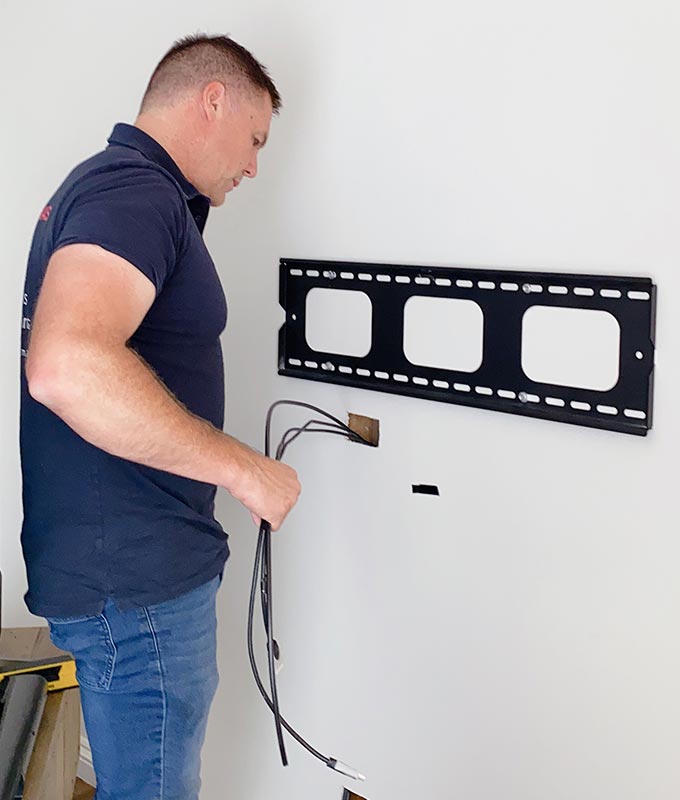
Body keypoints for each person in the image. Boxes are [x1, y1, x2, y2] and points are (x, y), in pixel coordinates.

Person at [19, 34, 300, 800]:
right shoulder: (134, 192)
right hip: (136, 593)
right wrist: (245, 469)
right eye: (254, 138)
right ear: (213, 99)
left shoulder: (114, 190)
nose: (253, 165)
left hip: (128, 577)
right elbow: (65, 364)